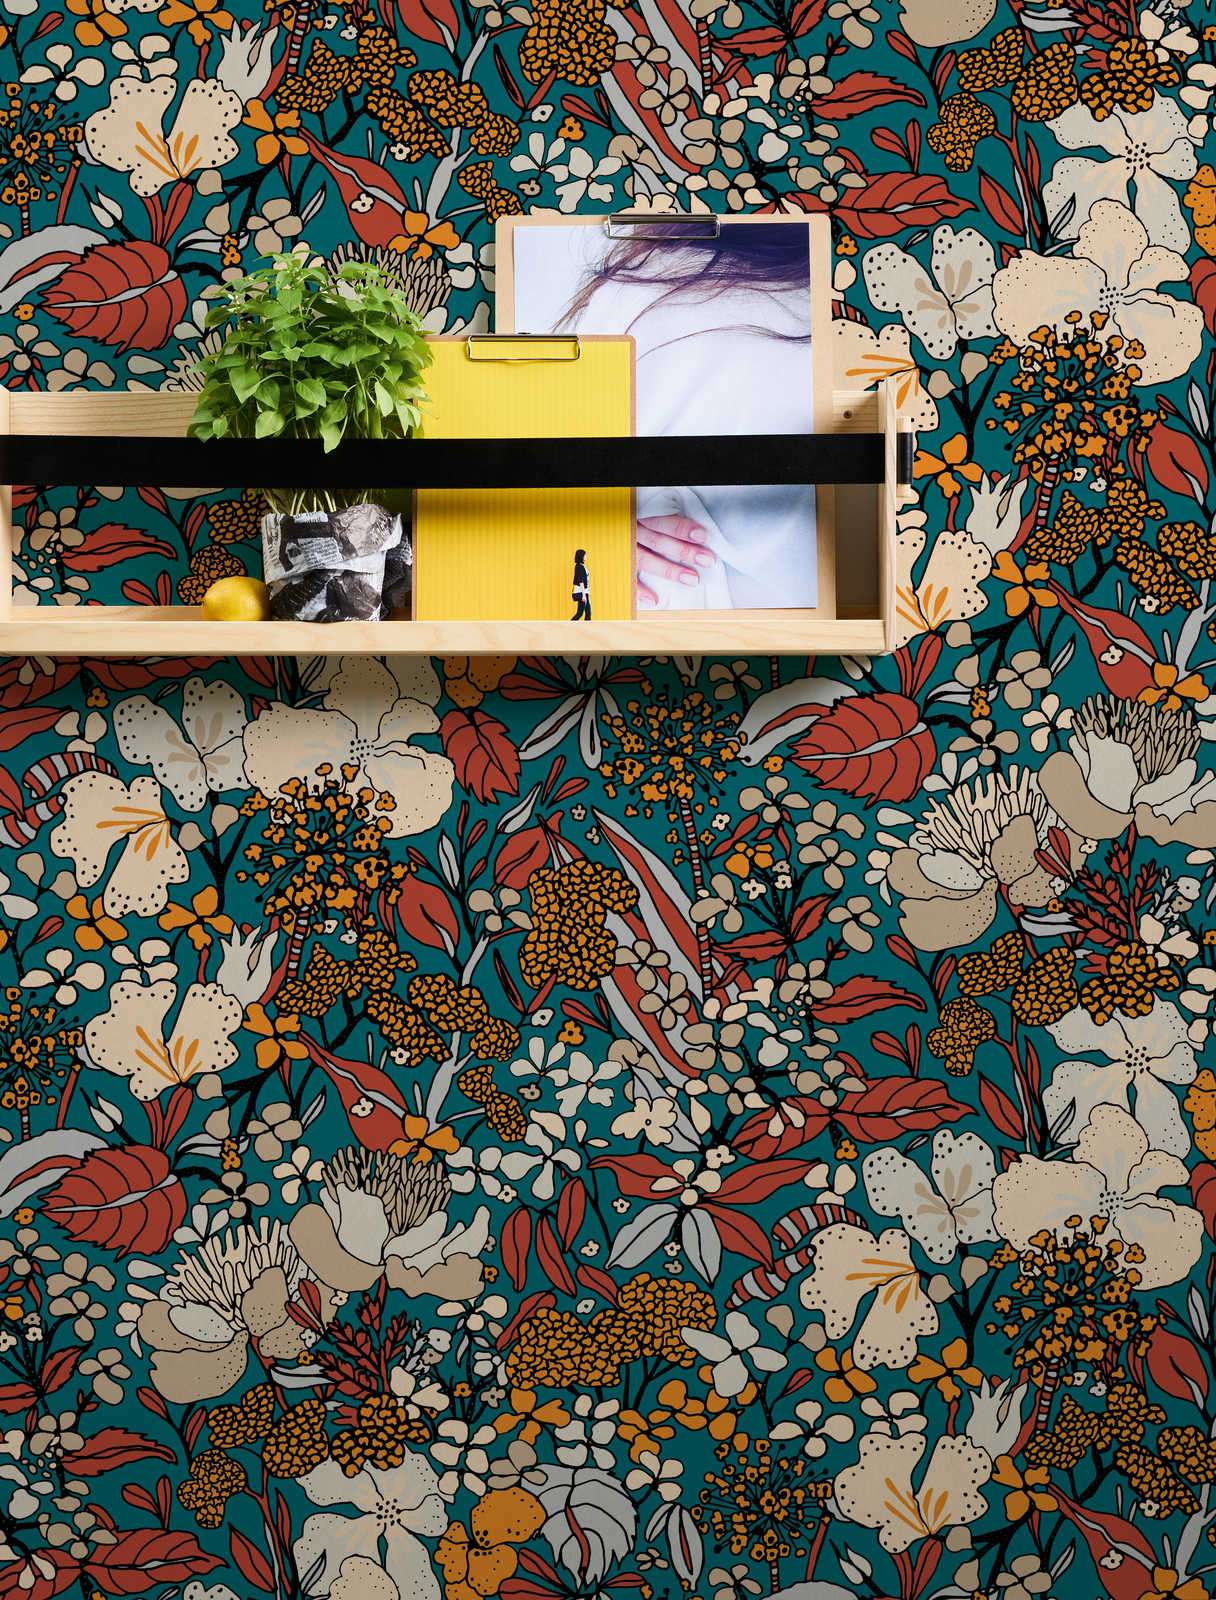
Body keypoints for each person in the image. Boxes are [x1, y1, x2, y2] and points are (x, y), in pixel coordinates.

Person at [513, 222, 817, 611]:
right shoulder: (834, 309)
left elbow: (547, 486)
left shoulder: (649, 286)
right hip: (801, 623)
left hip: (641, 618)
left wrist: (573, 534)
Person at [571, 548, 591, 620]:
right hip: (582, 592)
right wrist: (584, 595)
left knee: (580, 613)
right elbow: (581, 581)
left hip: (584, 592)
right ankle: (570, 625)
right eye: (585, 555)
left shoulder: (582, 566)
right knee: (587, 613)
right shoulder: (579, 566)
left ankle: (570, 625)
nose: (586, 556)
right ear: (581, 556)